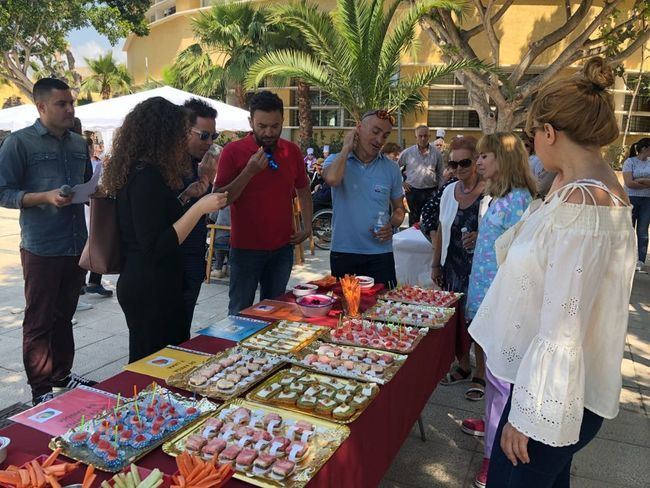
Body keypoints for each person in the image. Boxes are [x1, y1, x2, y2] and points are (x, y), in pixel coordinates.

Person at [468, 57, 636, 488]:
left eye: (532, 136)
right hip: (549, 388)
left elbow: (564, 326)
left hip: (551, 397)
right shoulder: (581, 189)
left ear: (549, 133)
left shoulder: (584, 205)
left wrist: (526, 415)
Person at [102, 97, 227, 362]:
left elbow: (155, 219)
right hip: (149, 288)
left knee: (164, 363)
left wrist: (188, 196)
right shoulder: (146, 175)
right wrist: (199, 208)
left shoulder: (147, 171)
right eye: (179, 131)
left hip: (156, 284)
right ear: (164, 133)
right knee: (154, 368)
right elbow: (157, 244)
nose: (182, 139)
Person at [0, 78, 97, 405]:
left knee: (64, 314)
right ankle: (40, 390)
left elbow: (84, 186)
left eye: (71, 103)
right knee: (39, 319)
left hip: (75, 244)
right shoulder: (19, 143)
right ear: (41, 107)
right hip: (42, 246)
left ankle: (62, 375)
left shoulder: (78, 143)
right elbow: (3, 192)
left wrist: (95, 190)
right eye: (62, 104)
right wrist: (44, 196)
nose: (70, 109)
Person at [462, 132, 536, 488]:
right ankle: (490, 424)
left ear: (503, 160)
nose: (478, 162)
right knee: (494, 375)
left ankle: (494, 452)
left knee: (501, 378)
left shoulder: (518, 201)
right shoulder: (497, 197)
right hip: (487, 295)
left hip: (504, 301)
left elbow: (524, 258)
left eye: (485, 157)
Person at [215, 91, 312, 314]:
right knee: (240, 311)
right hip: (245, 249)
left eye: (274, 126)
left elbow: (303, 189)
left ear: (282, 122)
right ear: (251, 122)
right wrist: (249, 172)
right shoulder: (233, 151)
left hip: (282, 248)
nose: (268, 132)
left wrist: (307, 226)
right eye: (262, 126)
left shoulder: (291, 151)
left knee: (275, 310)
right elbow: (220, 199)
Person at [323, 110, 405, 286]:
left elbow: (400, 209)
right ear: (358, 128)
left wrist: (392, 225)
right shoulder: (335, 160)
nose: (379, 140)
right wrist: (346, 148)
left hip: (380, 254)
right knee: (346, 308)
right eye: (375, 132)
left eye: (385, 135)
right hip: (344, 252)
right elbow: (332, 179)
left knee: (384, 309)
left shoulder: (391, 169)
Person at [429, 136, 484, 393]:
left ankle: (481, 373)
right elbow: (441, 227)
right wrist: (435, 264)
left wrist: (481, 237)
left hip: (480, 268)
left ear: (476, 161)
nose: (459, 168)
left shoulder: (490, 192)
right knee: (456, 318)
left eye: (465, 162)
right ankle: (463, 365)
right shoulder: (449, 190)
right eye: (454, 163)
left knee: (479, 320)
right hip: (452, 263)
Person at [177, 98, 219, 325]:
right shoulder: (167, 166)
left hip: (193, 258)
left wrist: (206, 181)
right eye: (204, 135)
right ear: (184, 131)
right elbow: (166, 214)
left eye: (214, 136)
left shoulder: (198, 164)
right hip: (170, 264)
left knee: (182, 334)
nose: (210, 142)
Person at [83, 136, 113, 297]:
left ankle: (93, 281)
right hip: (87, 210)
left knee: (94, 243)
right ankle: (83, 285)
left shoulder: (96, 163)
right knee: (89, 244)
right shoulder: (84, 164)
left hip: (93, 208)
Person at [398, 125, 444, 226]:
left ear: (429, 136)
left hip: (431, 191)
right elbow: (395, 168)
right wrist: (402, 182)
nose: (423, 138)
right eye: (420, 136)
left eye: (425, 136)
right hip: (413, 191)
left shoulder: (437, 153)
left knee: (431, 219)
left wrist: (440, 191)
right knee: (414, 220)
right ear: (416, 137)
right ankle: (413, 241)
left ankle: (429, 241)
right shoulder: (407, 153)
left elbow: (441, 173)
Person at [622, 137, 650, 271]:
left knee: (643, 231)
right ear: (645, 148)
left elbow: (634, 182)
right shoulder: (630, 162)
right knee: (629, 229)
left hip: (647, 200)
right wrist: (647, 182)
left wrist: (640, 179)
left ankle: (640, 261)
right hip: (631, 199)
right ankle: (626, 258)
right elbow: (629, 183)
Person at [524, 133, 555, 198]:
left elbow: (540, 187)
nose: (523, 148)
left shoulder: (540, 160)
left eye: (526, 145)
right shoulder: (528, 160)